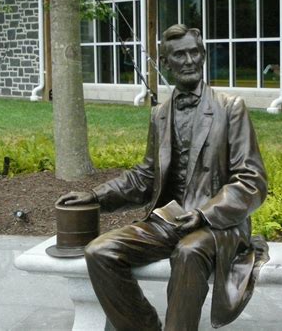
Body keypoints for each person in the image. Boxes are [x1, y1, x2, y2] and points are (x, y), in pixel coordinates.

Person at [56, 24, 268, 331]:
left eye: (194, 52)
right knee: (100, 251)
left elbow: (252, 180)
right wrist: (96, 196)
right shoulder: (160, 114)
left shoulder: (230, 108)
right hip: (168, 220)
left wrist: (204, 214)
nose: (189, 60)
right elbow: (145, 176)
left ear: (204, 55)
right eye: (179, 55)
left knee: (189, 251)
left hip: (217, 224)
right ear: (166, 63)